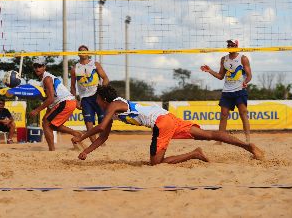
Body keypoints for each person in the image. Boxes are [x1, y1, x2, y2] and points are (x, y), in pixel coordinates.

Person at [72, 85, 264, 165]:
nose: (95, 101)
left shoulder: (113, 105)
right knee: (209, 134)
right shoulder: (114, 109)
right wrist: (87, 151)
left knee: (155, 163)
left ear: (103, 98)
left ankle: (195, 154)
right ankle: (249, 147)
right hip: (166, 117)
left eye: (97, 98)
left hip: (161, 122)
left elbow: (98, 128)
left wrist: (81, 136)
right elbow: (104, 135)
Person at [200, 39, 252, 143]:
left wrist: (246, 81)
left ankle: (248, 139)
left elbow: (249, 75)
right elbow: (220, 76)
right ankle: (220, 140)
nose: (229, 46)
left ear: (236, 45)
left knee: (243, 113)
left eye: (231, 45)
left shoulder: (243, 58)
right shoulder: (224, 59)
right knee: (223, 115)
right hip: (227, 91)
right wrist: (209, 70)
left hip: (239, 90)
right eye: (228, 45)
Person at [29, 56, 84, 151]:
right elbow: (52, 99)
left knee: (46, 123)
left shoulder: (47, 79)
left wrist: (37, 110)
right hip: (65, 102)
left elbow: (50, 99)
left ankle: (52, 150)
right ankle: (76, 134)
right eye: (35, 66)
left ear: (44, 67)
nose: (37, 68)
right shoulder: (44, 79)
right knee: (50, 124)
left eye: (40, 66)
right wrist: (47, 111)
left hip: (65, 102)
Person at [70, 45, 109, 143]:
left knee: (102, 123)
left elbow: (105, 79)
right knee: (88, 122)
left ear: (88, 52)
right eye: (81, 51)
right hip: (85, 98)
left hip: (97, 95)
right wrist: (75, 100)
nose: (83, 52)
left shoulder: (95, 64)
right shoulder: (75, 68)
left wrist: (102, 92)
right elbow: (73, 86)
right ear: (78, 54)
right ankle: (95, 144)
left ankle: (101, 142)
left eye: (84, 51)